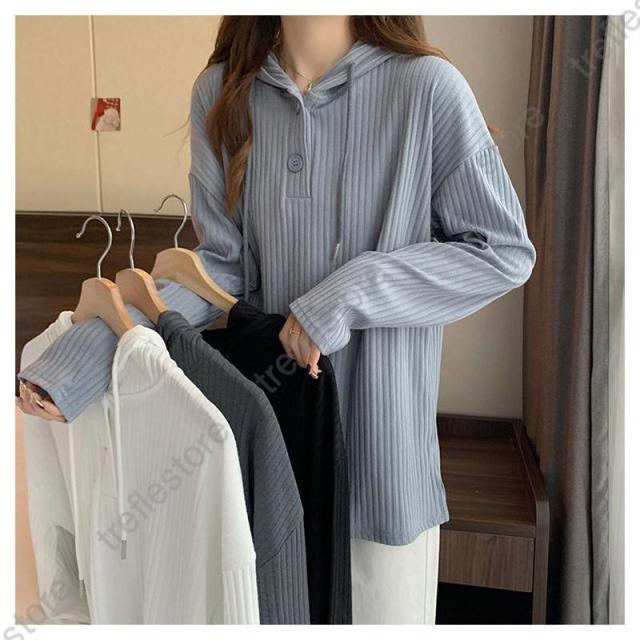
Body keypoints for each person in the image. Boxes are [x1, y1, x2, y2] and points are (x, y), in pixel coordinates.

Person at [17, 16, 536, 624]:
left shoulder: (427, 88)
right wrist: (87, 353)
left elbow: (501, 251)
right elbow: (219, 270)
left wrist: (345, 293)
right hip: (266, 473)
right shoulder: (222, 92)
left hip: (383, 474)